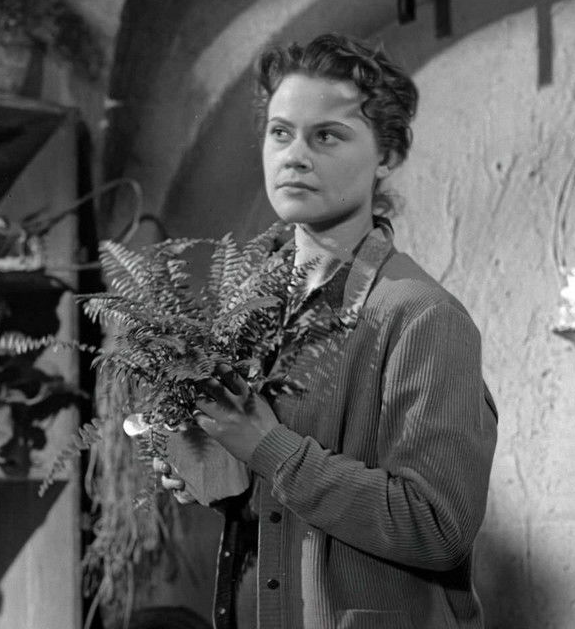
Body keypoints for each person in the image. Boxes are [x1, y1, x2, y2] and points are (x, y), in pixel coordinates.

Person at [154, 33, 498, 628]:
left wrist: (267, 445)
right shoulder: (248, 311)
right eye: (280, 132)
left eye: (327, 136)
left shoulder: (421, 317)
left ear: (387, 155)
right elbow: (270, 497)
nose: (295, 156)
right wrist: (206, 462)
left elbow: (438, 527)